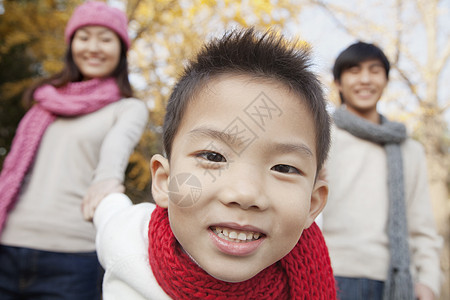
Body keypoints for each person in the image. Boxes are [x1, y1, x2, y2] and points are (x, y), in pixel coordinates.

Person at [93, 28, 337, 299]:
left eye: (284, 168)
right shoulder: (127, 241)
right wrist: (102, 194)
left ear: (312, 205)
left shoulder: (304, 262)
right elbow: (108, 209)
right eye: (212, 157)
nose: (245, 194)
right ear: (163, 181)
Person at [0, 1, 148, 299]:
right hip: (8, 245)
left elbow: (115, 149)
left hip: (73, 257)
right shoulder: (43, 105)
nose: (93, 47)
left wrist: (108, 179)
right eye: (84, 37)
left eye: (105, 39)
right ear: (71, 46)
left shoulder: (127, 108)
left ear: (121, 50)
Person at [321, 41, 442, 300]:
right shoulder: (321, 136)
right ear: (339, 83)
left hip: (396, 284)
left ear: (386, 81)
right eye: (354, 70)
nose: (365, 79)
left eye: (374, 70)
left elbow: (422, 226)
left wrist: (429, 282)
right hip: (330, 275)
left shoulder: (410, 149)